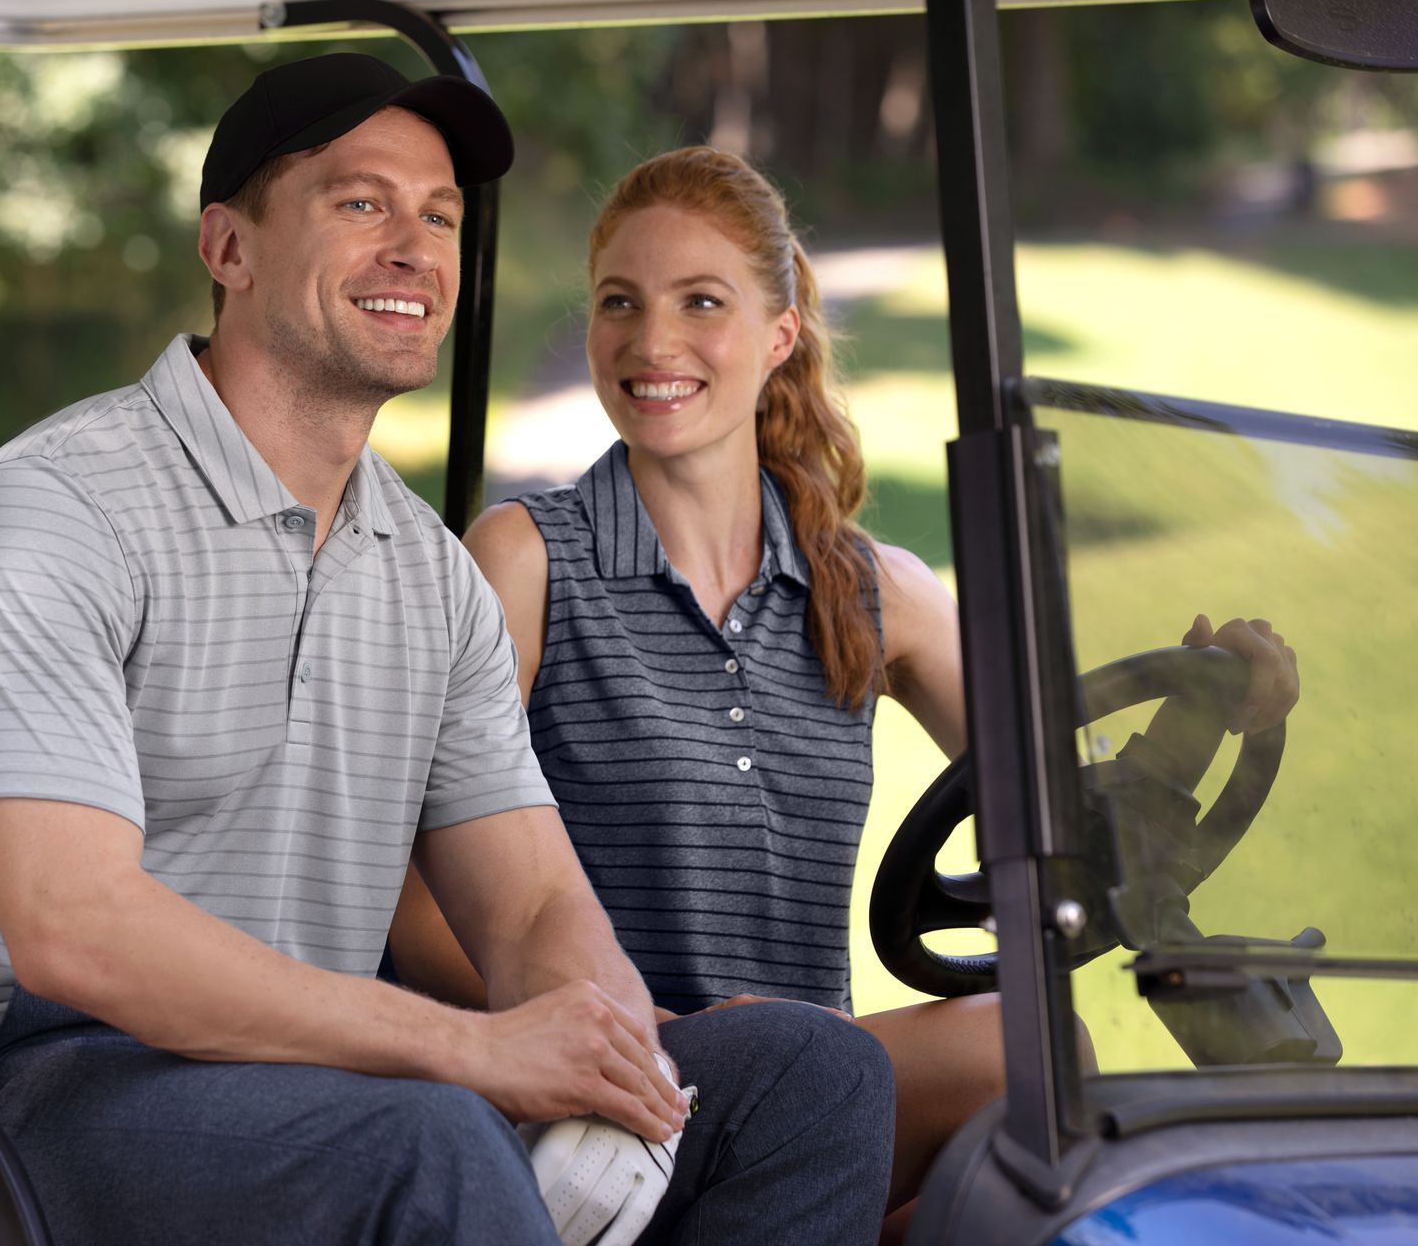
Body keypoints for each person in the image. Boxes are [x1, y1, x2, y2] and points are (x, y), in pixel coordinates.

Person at [0, 62, 894, 1245]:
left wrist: (611, 1042)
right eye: (360, 204)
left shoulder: (425, 570)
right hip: (12, 1100)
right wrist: (469, 1046)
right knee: (427, 1135)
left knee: (812, 1073)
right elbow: (74, 926)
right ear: (229, 248)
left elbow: (533, 903)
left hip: (315, 1084)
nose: (414, 245)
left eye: (439, 215)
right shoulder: (58, 509)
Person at [388, 145, 1301, 1238]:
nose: (651, 341)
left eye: (701, 302)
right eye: (619, 302)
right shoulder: (529, 560)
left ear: (778, 334)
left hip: (814, 1096)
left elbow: (1070, 820)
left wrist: (1206, 710)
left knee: (1027, 1105)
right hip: (597, 1085)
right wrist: (636, 1021)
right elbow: (412, 905)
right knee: (996, 1049)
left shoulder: (873, 590)